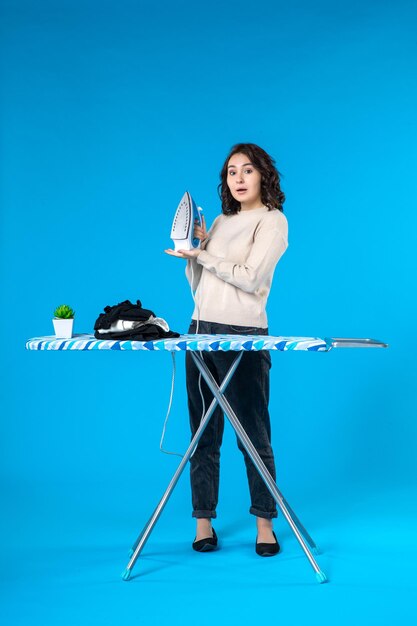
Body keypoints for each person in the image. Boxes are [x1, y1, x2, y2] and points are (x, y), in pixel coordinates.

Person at [165, 143, 288, 556]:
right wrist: (192, 252)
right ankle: (203, 521)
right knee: (203, 432)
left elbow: (251, 279)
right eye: (231, 172)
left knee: (253, 433)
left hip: (243, 333)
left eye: (247, 170)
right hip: (200, 330)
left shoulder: (272, 222)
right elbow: (202, 287)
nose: (238, 178)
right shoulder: (217, 222)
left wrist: (206, 254)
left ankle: (265, 524)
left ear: (263, 176)